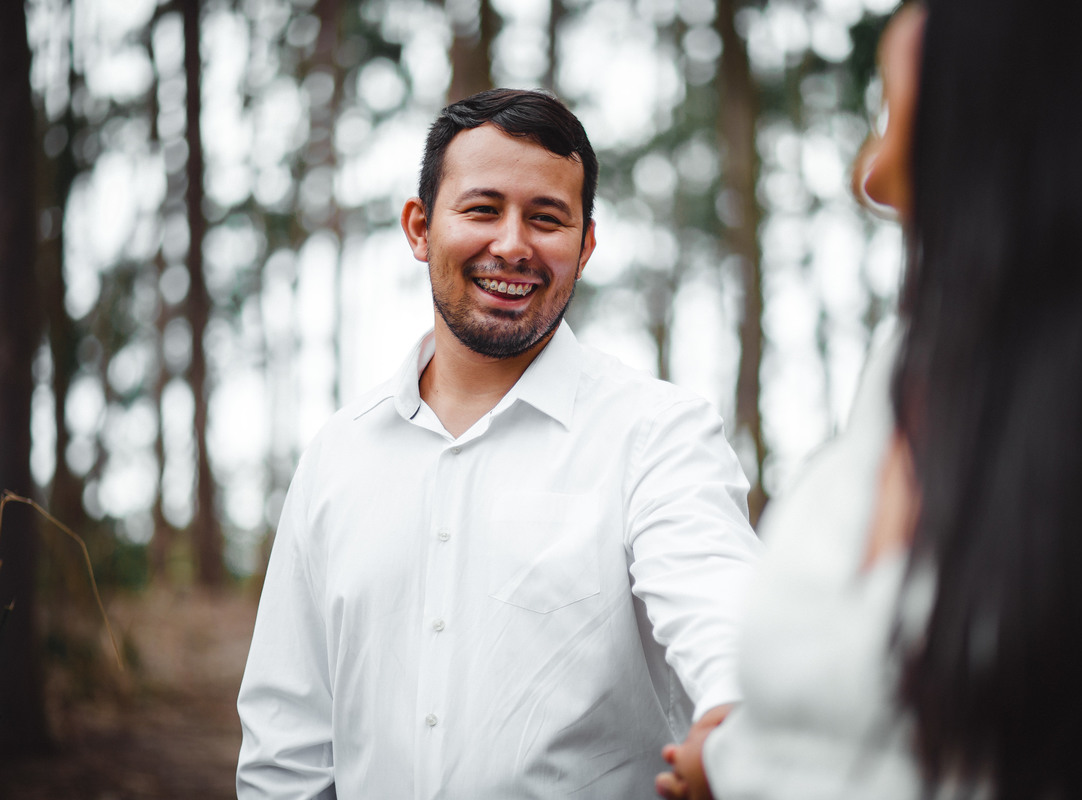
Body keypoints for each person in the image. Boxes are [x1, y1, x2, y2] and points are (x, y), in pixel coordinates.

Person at [656, 0, 1082, 797]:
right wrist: (726, 760)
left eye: (899, 114)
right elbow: (850, 729)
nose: (868, 176)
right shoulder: (901, 374)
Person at [236, 88, 763, 799]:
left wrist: (733, 715)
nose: (513, 245)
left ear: (586, 245)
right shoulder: (337, 455)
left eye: (547, 219)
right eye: (483, 209)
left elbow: (717, 600)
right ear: (420, 228)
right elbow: (286, 742)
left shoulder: (658, 436)